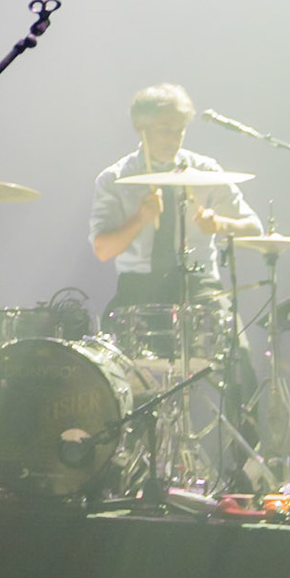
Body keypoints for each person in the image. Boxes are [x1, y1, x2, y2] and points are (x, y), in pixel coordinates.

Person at [89, 83, 264, 482]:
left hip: (198, 283)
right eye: (165, 129)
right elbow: (102, 248)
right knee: (116, 375)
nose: (174, 137)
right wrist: (138, 217)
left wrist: (218, 224)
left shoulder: (204, 170)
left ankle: (246, 468)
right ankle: (121, 467)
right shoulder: (116, 177)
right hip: (140, 286)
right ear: (141, 129)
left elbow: (252, 226)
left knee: (239, 360)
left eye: (179, 129)